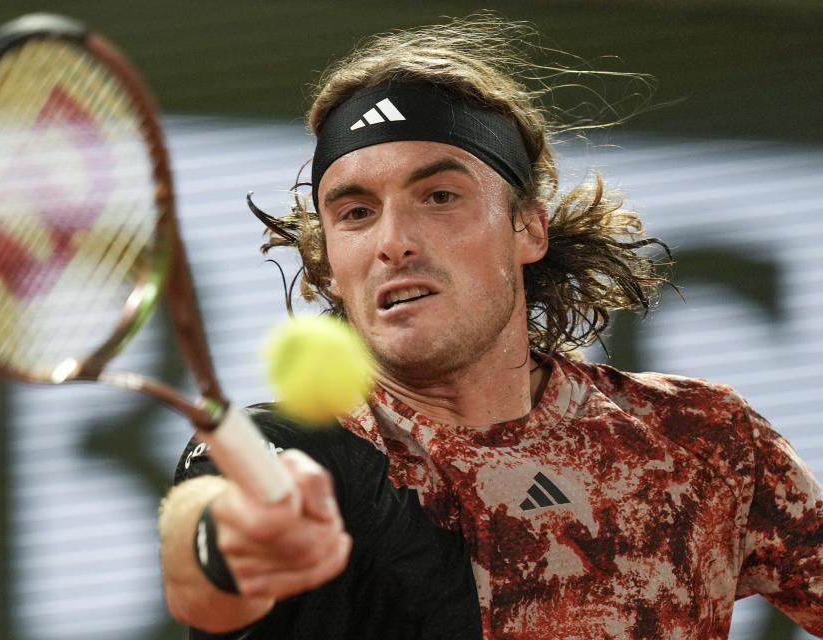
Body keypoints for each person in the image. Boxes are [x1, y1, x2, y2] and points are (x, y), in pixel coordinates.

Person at [158, 15, 823, 639]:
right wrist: (229, 545)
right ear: (330, 265)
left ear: (527, 226)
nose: (393, 241)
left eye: (439, 196)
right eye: (356, 213)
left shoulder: (704, 438)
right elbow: (207, 564)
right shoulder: (289, 454)